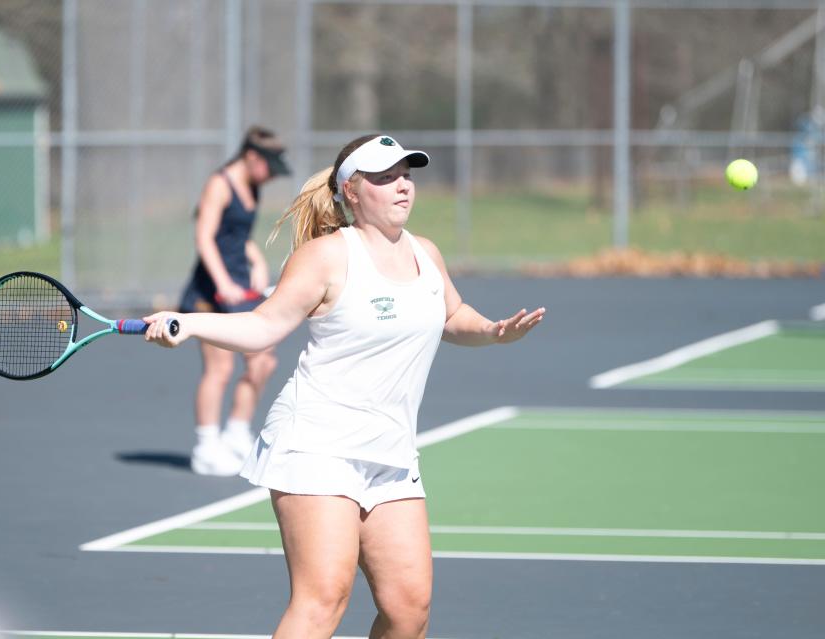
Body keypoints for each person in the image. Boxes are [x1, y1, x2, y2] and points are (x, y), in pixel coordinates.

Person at [146, 134, 545, 638]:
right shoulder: (327, 257)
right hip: (316, 445)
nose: (402, 186)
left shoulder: (426, 254)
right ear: (351, 191)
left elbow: (452, 315)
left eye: (406, 174)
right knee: (322, 601)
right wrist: (192, 323)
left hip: (391, 455)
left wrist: (491, 331)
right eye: (384, 177)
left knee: (408, 609)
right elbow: (263, 328)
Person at [178, 125, 291, 476]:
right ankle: (206, 446)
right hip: (208, 292)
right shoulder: (219, 184)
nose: (272, 175)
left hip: (239, 286)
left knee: (262, 362)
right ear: (251, 157)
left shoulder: (252, 186)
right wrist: (223, 281)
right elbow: (206, 237)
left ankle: (237, 433)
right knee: (220, 368)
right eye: (269, 166)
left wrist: (255, 259)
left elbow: (237, 235)